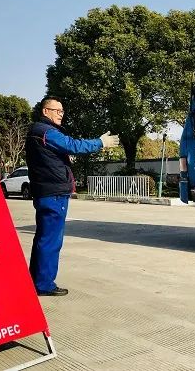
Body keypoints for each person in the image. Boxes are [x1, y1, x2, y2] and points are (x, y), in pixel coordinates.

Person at [25, 96, 119, 296]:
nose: (61, 115)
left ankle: (36, 280)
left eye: (62, 111)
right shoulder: (46, 132)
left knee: (43, 238)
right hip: (54, 194)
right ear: (45, 111)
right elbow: (73, 145)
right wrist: (100, 142)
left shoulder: (37, 131)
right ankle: (44, 285)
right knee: (51, 240)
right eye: (57, 111)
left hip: (45, 192)